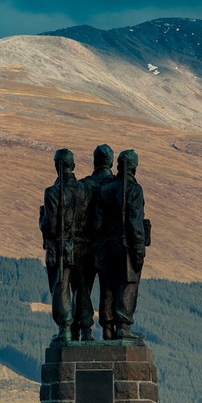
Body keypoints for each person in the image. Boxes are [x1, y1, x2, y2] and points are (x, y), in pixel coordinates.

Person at [92, 148, 150, 340]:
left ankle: (108, 329)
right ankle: (123, 327)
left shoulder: (105, 189)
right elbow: (135, 222)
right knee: (128, 284)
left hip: (106, 247)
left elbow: (98, 223)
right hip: (126, 247)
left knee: (107, 287)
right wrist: (139, 250)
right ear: (134, 167)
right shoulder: (134, 189)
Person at [39, 148, 87, 343]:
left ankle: (66, 329)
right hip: (83, 247)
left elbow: (49, 226)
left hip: (60, 248)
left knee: (62, 286)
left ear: (56, 166)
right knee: (82, 288)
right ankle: (85, 330)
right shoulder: (85, 189)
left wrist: (41, 218)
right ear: (73, 166)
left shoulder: (52, 193)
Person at [72, 145, 115, 341]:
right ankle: (109, 329)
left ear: (95, 162)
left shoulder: (82, 186)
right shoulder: (117, 186)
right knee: (109, 288)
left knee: (82, 289)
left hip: (84, 246)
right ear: (112, 163)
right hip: (108, 247)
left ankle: (86, 331)